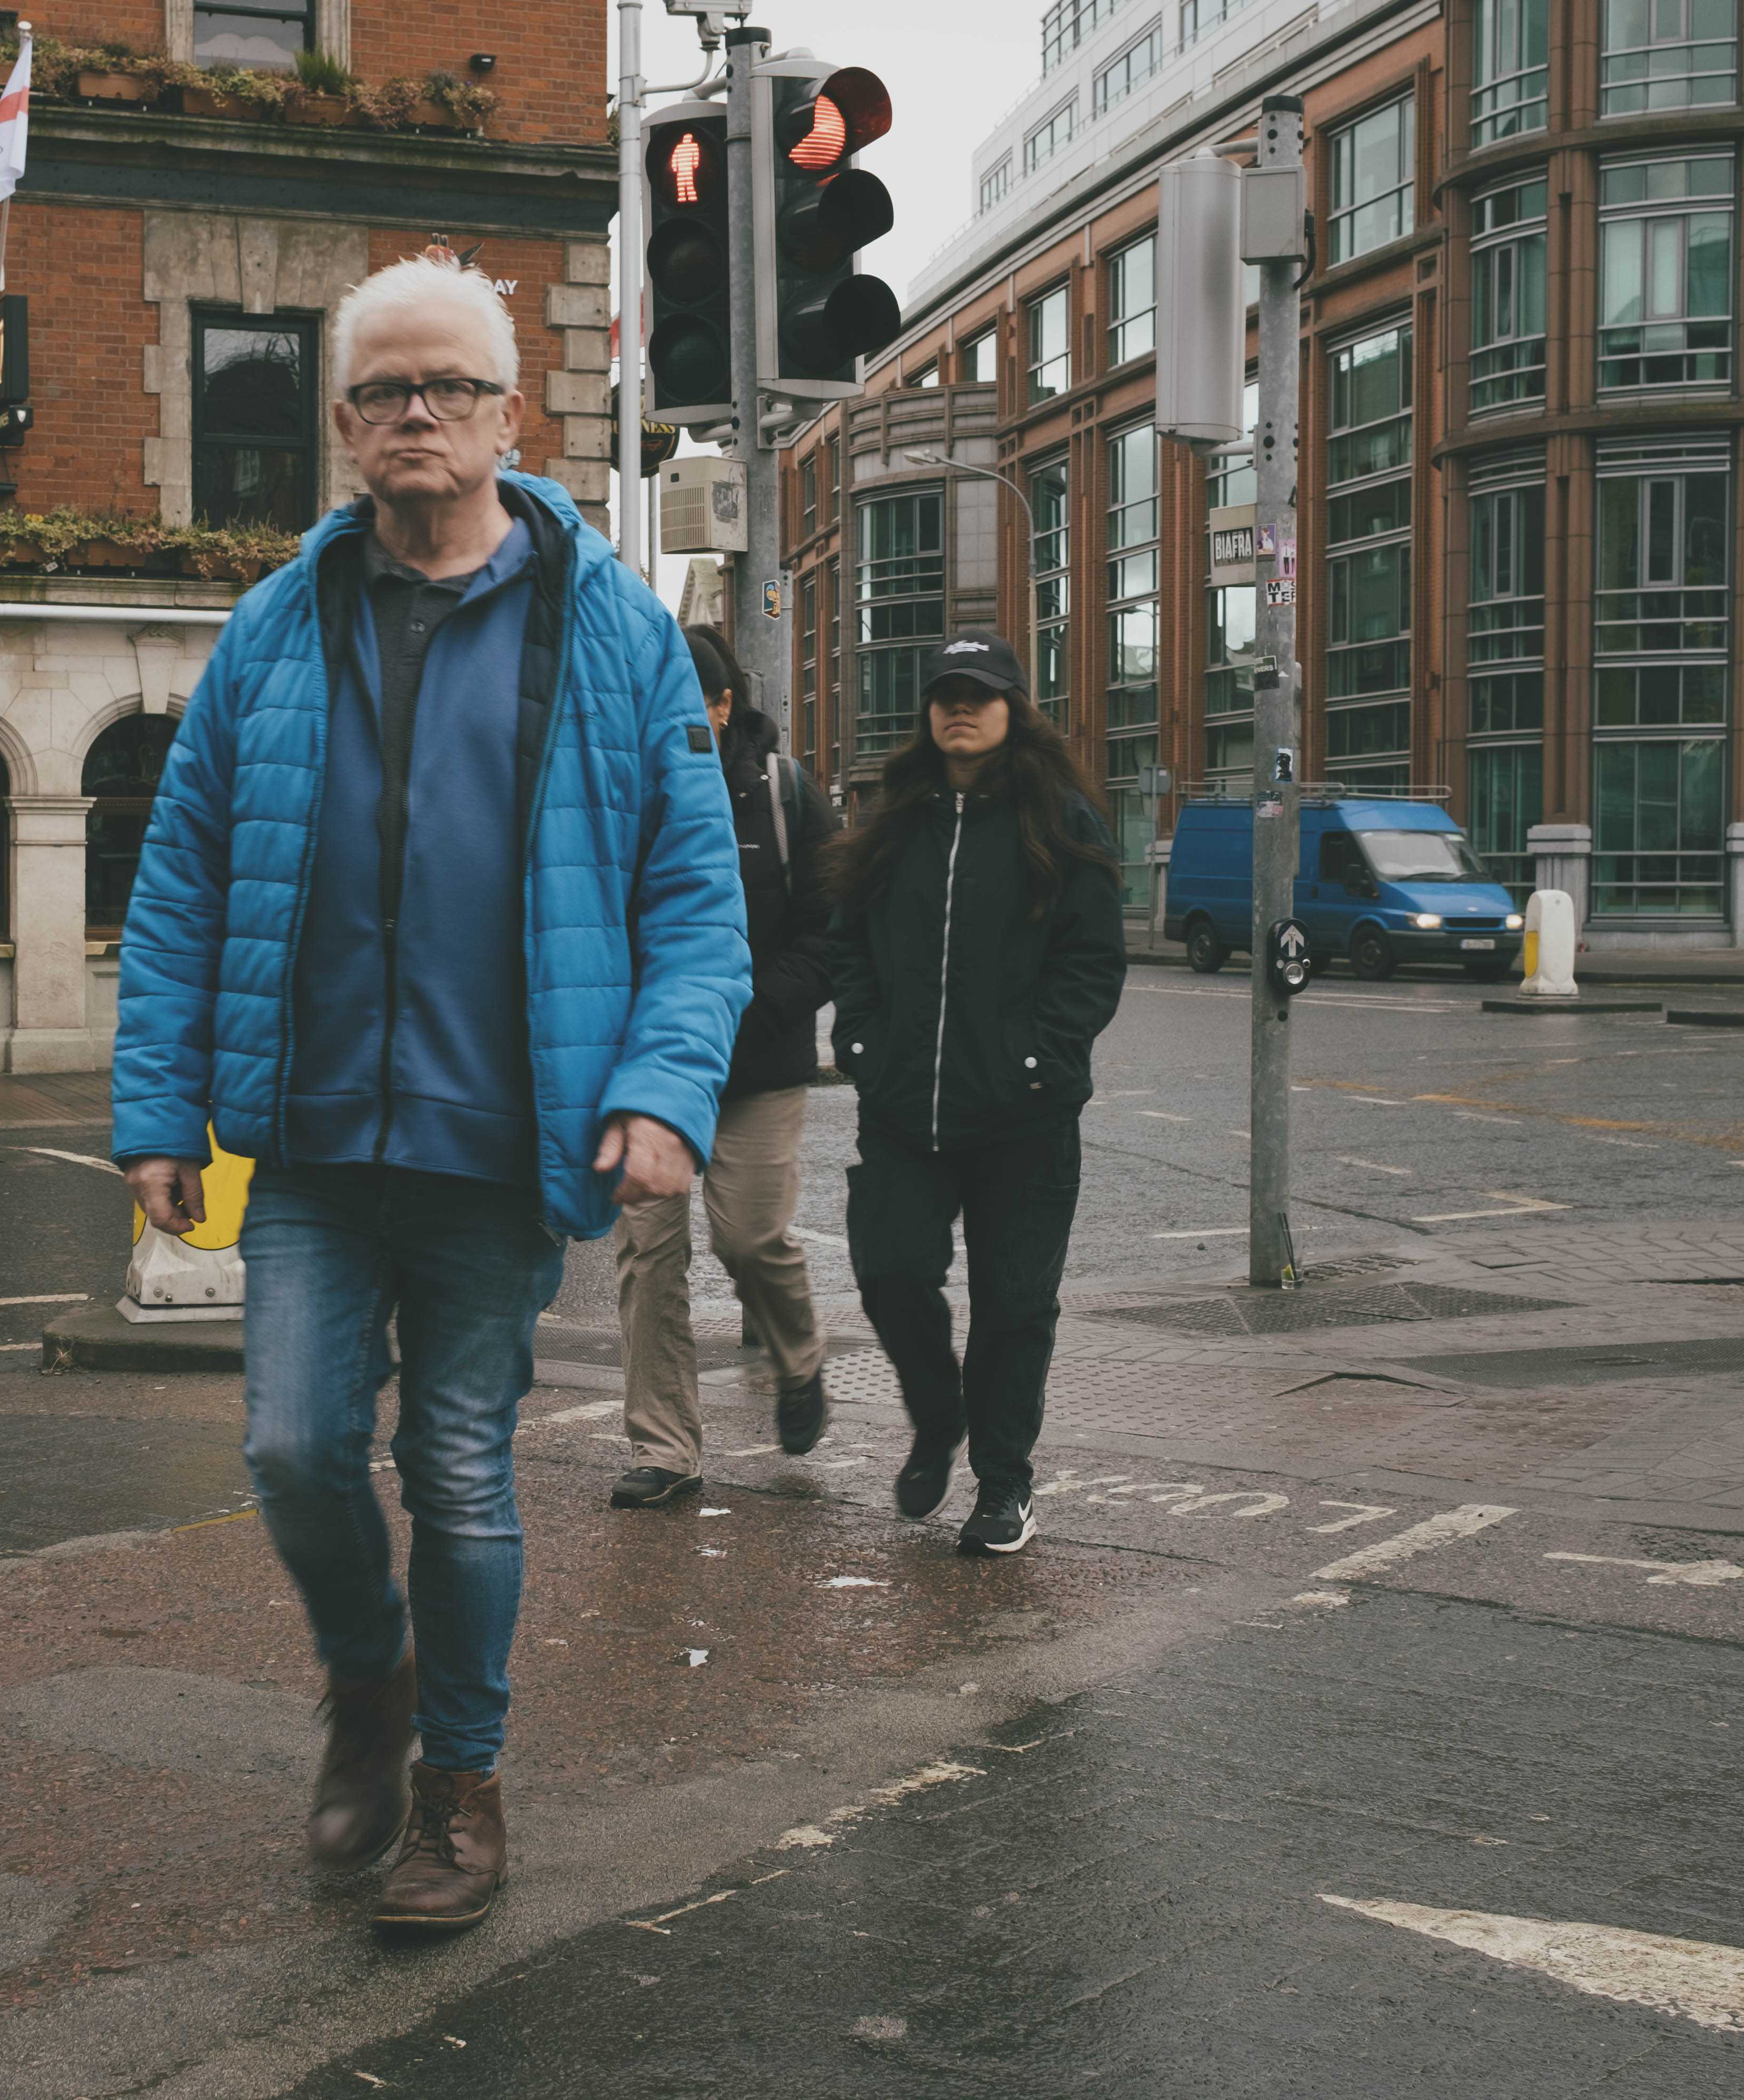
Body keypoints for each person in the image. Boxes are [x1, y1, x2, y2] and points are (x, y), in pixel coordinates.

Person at [110, 258, 749, 1935]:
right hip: (314, 1135)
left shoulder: (611, 625)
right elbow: (183, 875)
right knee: (294, 1446)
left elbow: (695, 896)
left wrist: (665, 1091)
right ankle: (369, 1690)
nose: (417, 415)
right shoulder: (276, 624)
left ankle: (460, 1793)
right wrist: (161, 1108)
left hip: (497, 1137)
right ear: (343, 425)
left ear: (506, 415)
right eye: (386, 391)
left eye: (449, 389)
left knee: (459, 1472)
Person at [826, 633, 1127, 1555]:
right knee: (889, 1269)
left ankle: (1005, 1487)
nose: (961, 707)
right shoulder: (895, 821)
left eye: (981, 694)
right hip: (906, 1109)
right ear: (927, 712)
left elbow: (1092, 963)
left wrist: (1036, 1060)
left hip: (1025, 1120)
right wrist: (865, 1042)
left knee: (1014, 1305)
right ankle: (936, 1416)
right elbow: (850, 944)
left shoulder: (1061, 821)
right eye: (946, 694)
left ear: (1013, 709)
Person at [608, 624, 842, 1509]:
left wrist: (737, 1000)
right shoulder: (626, 791)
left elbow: (830, 936)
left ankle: (799, 1359)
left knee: (749, 1237)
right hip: (651, 1073)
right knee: (647, 1254)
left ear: (723, 705)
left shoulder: (785, 796)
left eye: (695, 700)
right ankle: (666, 1448)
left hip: (756, 1063)